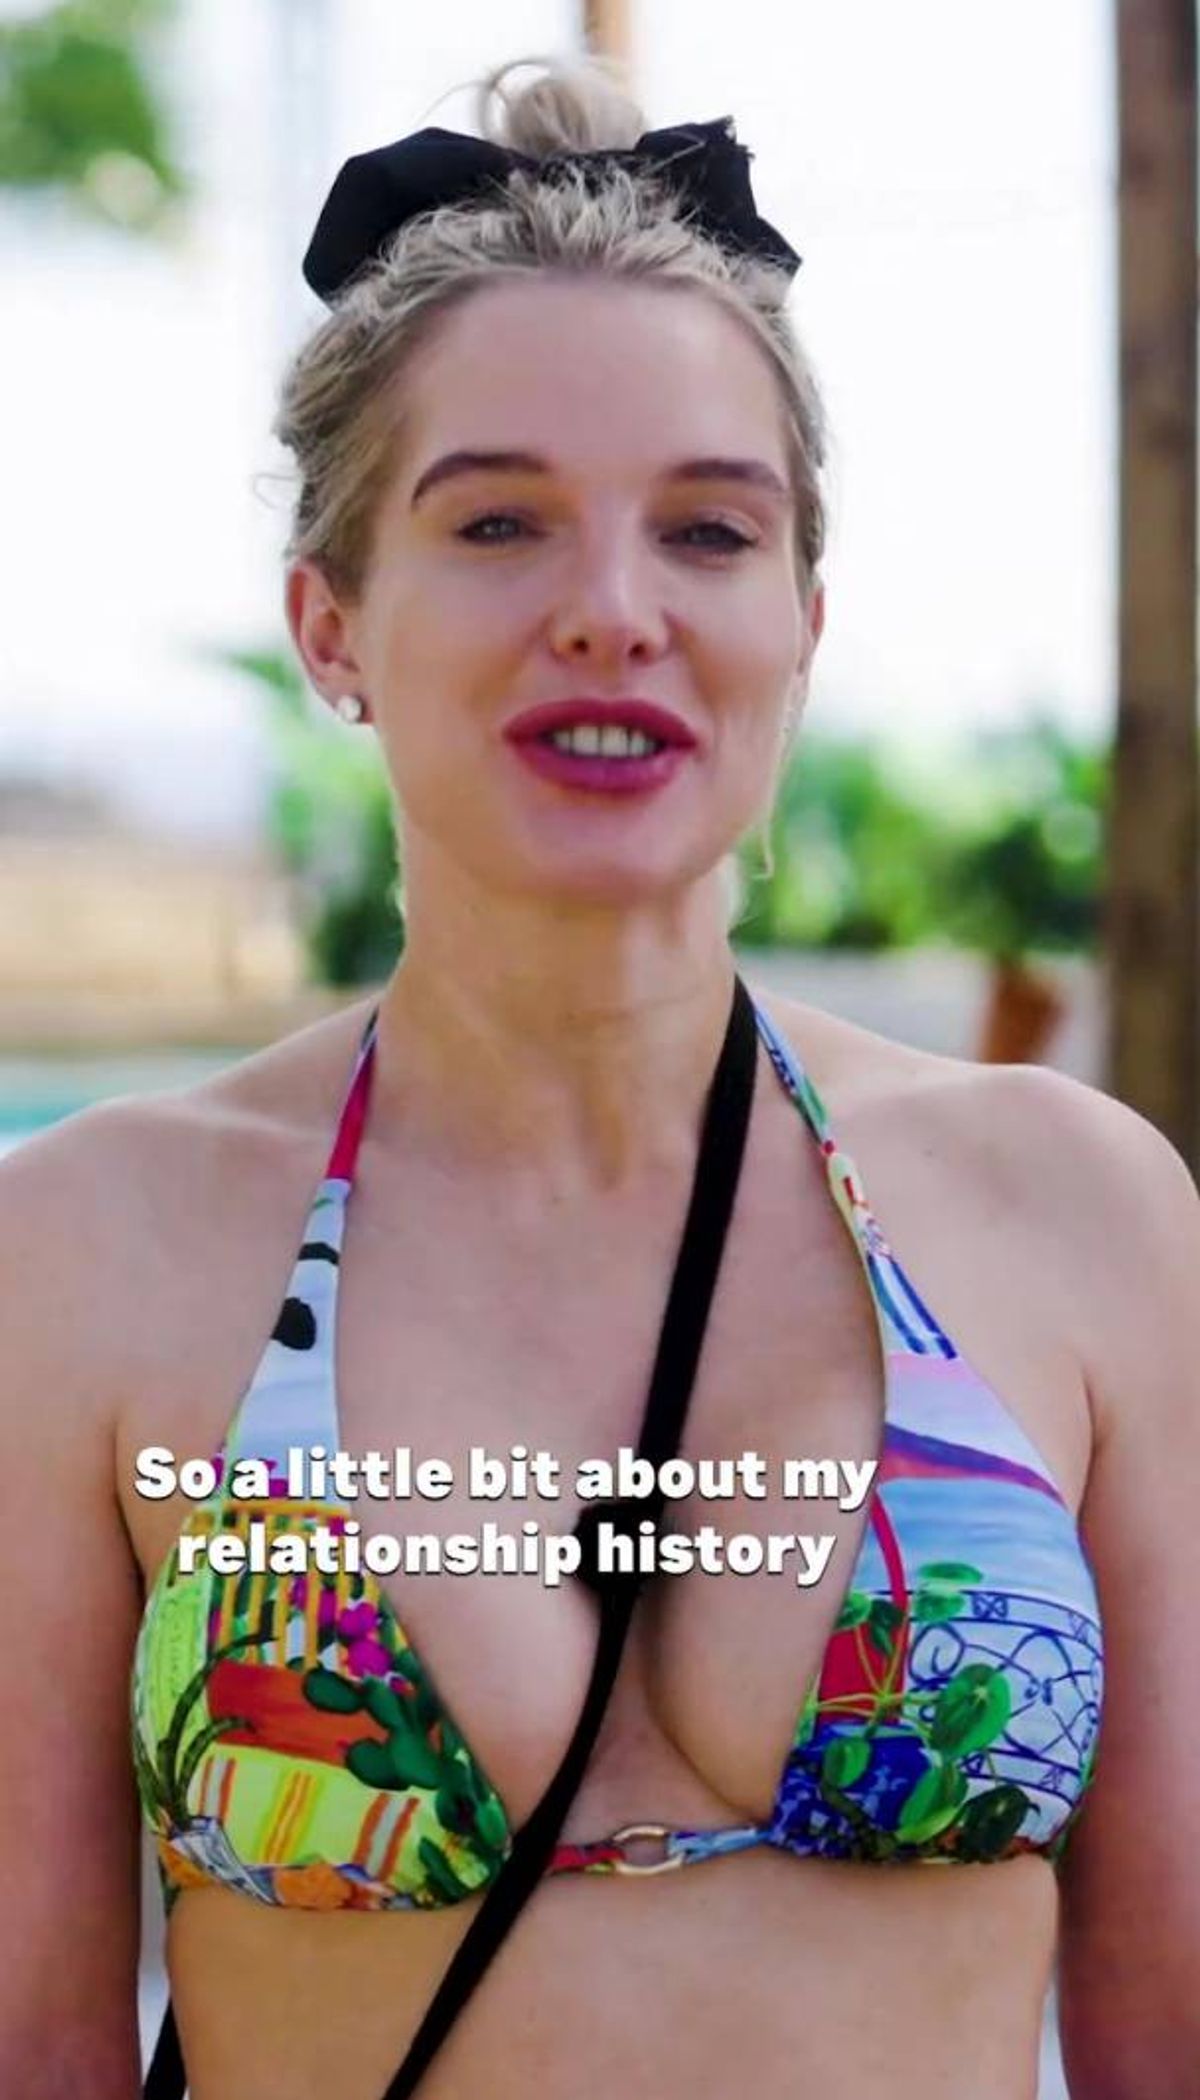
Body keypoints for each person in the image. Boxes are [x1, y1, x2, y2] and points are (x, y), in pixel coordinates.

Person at [2, 50, 1197, 2100]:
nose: (613, 615)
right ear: (332, 622)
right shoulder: (91, 1243)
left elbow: (1172, 2023)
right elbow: (33, 2040)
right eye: (498, 524)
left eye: (708, 534)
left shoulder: (1075, 1209)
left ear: (801, 622)